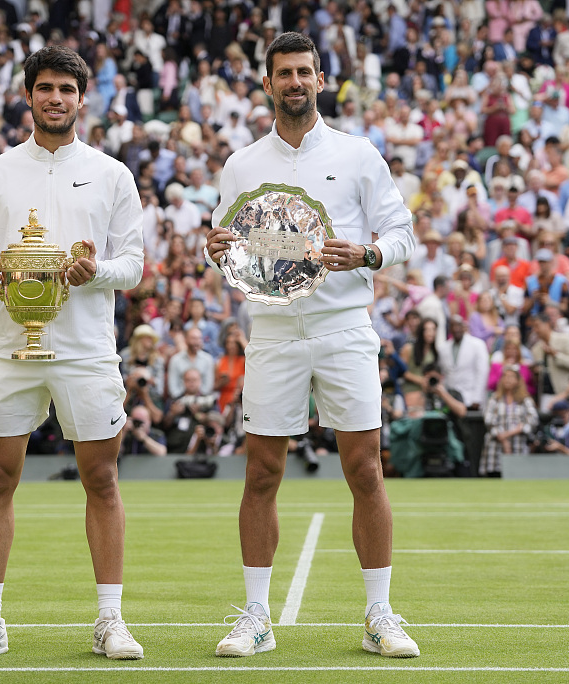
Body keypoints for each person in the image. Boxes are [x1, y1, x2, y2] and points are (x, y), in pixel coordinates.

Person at [205, 33, 419, 659]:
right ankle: (255, 616)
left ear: (320, 80)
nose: (294, 82)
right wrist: (220, 252)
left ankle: (379, 614)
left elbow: (400, 231)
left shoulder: (358, 155)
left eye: (304, 72)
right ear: (266, 84)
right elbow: (235, 251)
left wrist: (370, 252)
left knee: (365, 469)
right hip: (272, 333)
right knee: (262, 473)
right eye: (283, 74)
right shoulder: (241, 165)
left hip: (346, 328)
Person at [0, 46, 145, 662]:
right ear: (28, 95)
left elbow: (133, 267)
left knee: (102, 479)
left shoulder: (113, 173)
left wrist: (92, 271)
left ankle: (110, 620)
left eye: (66, 88)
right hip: (10, 348)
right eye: (44, 88)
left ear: (82, 98)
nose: (55, 98)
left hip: (87, 351)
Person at [481, 365, 540, 476]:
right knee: (495, 477)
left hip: (518, 444)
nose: (508, 379)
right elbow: (488, 420)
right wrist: (502, 438)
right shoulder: (494, 398)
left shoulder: (525, 399)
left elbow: (533, 419)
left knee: (518, 476)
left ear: (518, 381)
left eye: (511, 376)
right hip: (496, 446)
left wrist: (514, 431)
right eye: (505, 376)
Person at [439, 316, 490, 410]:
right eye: (452, 326)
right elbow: (444, 373)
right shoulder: (443, 348)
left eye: (458, 325)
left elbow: (482, 372)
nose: (456, 329)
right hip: (451, 398)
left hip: (470, 397)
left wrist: (477, 398)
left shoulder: (477, 345)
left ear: (464, 327)